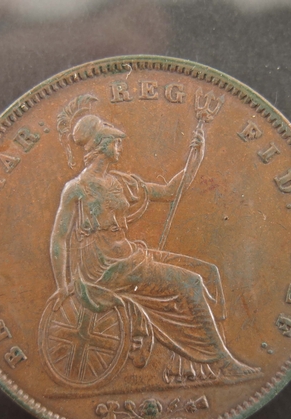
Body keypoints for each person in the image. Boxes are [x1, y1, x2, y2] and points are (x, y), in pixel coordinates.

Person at [49, 113, 259, 382]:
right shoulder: (76, 189)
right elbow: (59, 238)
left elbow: (171, 191)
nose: (120, 147)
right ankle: (222, 362)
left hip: (130, 258)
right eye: (115, 142)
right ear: (101, 145)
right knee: (191, 283)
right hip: (105, 270)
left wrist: (196, 158)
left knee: (207, 272)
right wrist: (62, 286)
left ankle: (198, 363)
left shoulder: (120, 183)